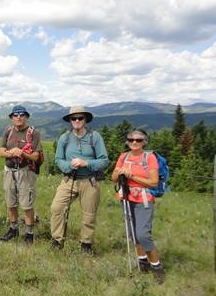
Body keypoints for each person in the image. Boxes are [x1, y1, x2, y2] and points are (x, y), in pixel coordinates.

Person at [50, 105, 109, 254]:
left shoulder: (94, 137)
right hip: (69, 179)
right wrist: (68, 166)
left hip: (89, 181)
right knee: (57, 208)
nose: (77, 120)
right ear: (70, 120)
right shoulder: (65, 138)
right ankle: (57, 240)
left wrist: (86, 163)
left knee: (89, 214)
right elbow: (58, 159)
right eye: (73, 118)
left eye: (80, 118)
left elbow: (104, 160)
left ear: (85, 119)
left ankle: (86, 244)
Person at [111, 128, 165, 284]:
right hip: (127, 198)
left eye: (138, 140)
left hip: (143, 200)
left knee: (143, 234)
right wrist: (120, 171)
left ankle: (157, 267)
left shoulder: (149, 158)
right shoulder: (123, 156)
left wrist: (131, 176)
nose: (134, 142)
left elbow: (153, 182)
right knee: (133, 233)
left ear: (144, 142)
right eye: (131, 139)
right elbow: (113, 178)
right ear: (127, 141)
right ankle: (143, 262)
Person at [0, 105, 42, 245]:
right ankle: (13, 229)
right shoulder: (8, 131)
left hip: (25, 172)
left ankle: (29, 234)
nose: (18, 117)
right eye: (15, 115)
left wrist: (22, 153)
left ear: (26, 117)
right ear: (12, 117)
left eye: (21, 114)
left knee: (27, 204)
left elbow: (36, 156)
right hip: (9, 170)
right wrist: (11, 153)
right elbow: (1, 152)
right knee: (10, 202)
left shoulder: (33, 133)